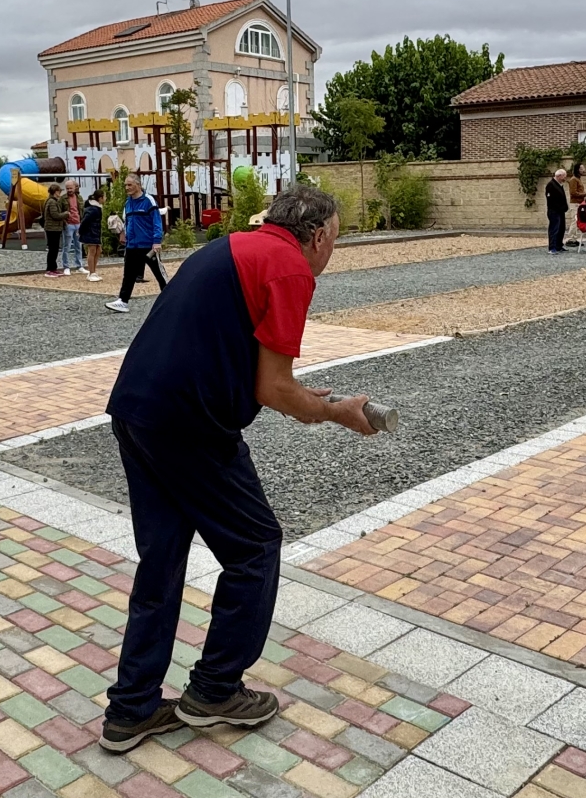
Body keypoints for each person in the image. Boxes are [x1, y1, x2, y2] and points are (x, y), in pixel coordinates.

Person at [97, 185, 376, 752]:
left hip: (135, 408)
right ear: (318, 235)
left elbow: (234, 353)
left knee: (163, 560)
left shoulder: (231, 247)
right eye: (335, 241)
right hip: (189, 423)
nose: (330, 253)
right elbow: (271, 388)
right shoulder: (290, 268)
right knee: (254, 546)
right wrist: (332, 411)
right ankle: (216, 690)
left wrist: (302, 394)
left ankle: (132, 710)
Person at [106, 174, 167, 313]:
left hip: (148, 245)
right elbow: (127, 221)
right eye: (126, 185)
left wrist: (157, 241)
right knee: (129, 274)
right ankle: (123, 301)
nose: (127, 188)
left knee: (159, 273)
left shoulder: (149, 201)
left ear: (138, 185)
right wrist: (123, 234)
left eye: (130, 185)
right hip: (132, 245)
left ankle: (172, 297)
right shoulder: (128, 203)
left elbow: (157, 221)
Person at [42, 183, 67, 277]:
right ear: (55, 192)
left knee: (55, 249)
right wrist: (65, 214)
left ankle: (53, 268)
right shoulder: (52, 202)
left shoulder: (52, 201)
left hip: (54, 228)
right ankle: (50, 269)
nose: (60, 193)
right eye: (59, 191)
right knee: (53, 249)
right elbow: (55, 215)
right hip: (52, 228)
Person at [80, 188, 104, 282]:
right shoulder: (93, 209)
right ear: (100, 198)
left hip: (95, 232)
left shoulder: (97, 208)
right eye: (104, 197)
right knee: (92, 251)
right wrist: (81, 230)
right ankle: (91, 272)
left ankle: (92, 271)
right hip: (91, 232)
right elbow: (85, 220)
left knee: (98, 251)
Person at [62, 179, 85, 274]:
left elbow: (81, 210)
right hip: (69, 224)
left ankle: (79, 265)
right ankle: (66, 266)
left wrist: (82, 221)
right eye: (67, 188)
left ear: (75, 188)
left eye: (70, 188)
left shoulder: (79, 198)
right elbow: (60, 211)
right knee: (66, 246)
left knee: (78, 245)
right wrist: (65, 222)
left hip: (78, 223)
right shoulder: (63, 198)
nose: (69, 190)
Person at [545, 169, 569, 254]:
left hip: (560, 211)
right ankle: (552, 247)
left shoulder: (559, 185)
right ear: (559, 176)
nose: (565, 178)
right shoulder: (551, 185)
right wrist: (559, 208)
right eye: (564, 176)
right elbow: (551, 200)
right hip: (554, 211)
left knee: (561, 228)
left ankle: (559, 245)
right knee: (554, 229)